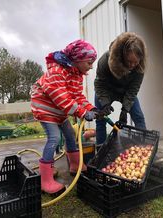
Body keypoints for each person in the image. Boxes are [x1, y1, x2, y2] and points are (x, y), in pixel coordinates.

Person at [30, 39, 97, 194]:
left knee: (70, 134)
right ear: (78, 59)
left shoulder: (77, 75)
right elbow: (62, 98)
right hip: (45, 109)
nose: (91, 66)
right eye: (89, 62)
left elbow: (77, 96)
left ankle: (75, 165)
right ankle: (45, 180)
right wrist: (82, 113)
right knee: (53, 138)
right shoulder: (57, 72)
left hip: (59, 111)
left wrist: (91, 108)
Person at [94, 32, 147, 145]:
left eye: (135, 62)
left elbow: (133, 89)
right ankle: (100, 152)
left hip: (125, 91)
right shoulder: (105, 60)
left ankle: (144, 150)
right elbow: (99, 84)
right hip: (106, 89)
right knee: (100, 120)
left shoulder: (139, 67)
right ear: (122, 56)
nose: (132, 65)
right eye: (129, 61)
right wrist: (105, 103)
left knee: (138, 116)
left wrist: (125, 110)